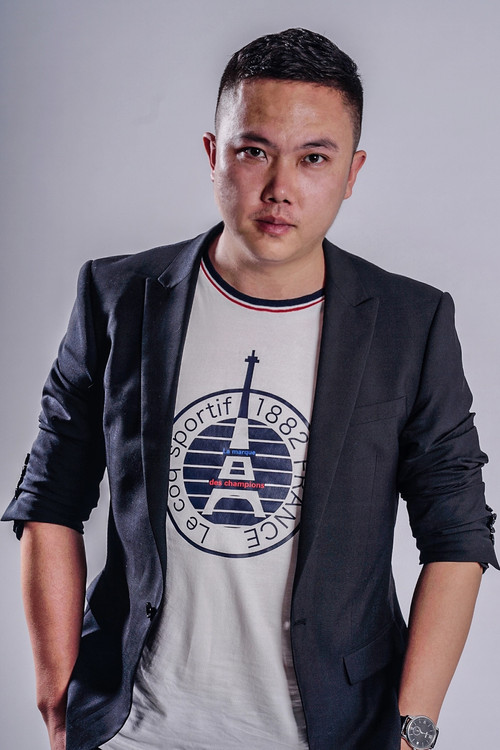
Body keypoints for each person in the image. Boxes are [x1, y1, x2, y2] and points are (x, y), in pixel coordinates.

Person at [3, 27, 498, 750]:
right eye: (254, 151)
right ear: (214, 154)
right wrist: (57, 698)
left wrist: (411, 729)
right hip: (134, 729)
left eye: (314, 157)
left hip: (334, 731)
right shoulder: (117, 297)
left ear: (352, 171)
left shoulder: (410, 323)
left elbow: (457, 533)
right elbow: (52, 494)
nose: (280, 188)